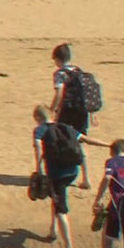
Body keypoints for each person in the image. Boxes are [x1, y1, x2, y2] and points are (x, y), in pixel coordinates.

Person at [32, 105, 109, 248]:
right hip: (72, 172)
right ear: (52, 115)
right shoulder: (65, 127)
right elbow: (86, 140)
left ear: (39, 118)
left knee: (61, 209)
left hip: (56, 174)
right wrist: (108, 145)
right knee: (56, 197)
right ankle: (53, 231)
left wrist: (38, 168)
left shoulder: (40, 130)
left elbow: (39, 148)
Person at [50, 43, 95, 189]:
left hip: (67, 111)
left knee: (62, 140)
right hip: (82, 112)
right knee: (81, 141)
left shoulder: (60, 74)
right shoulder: (79, 71)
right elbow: (88, 93)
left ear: (57, 59)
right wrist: (92, 113)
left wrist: (52, 110)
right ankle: (86, 178)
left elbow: (60, 93)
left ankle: (61, 173)